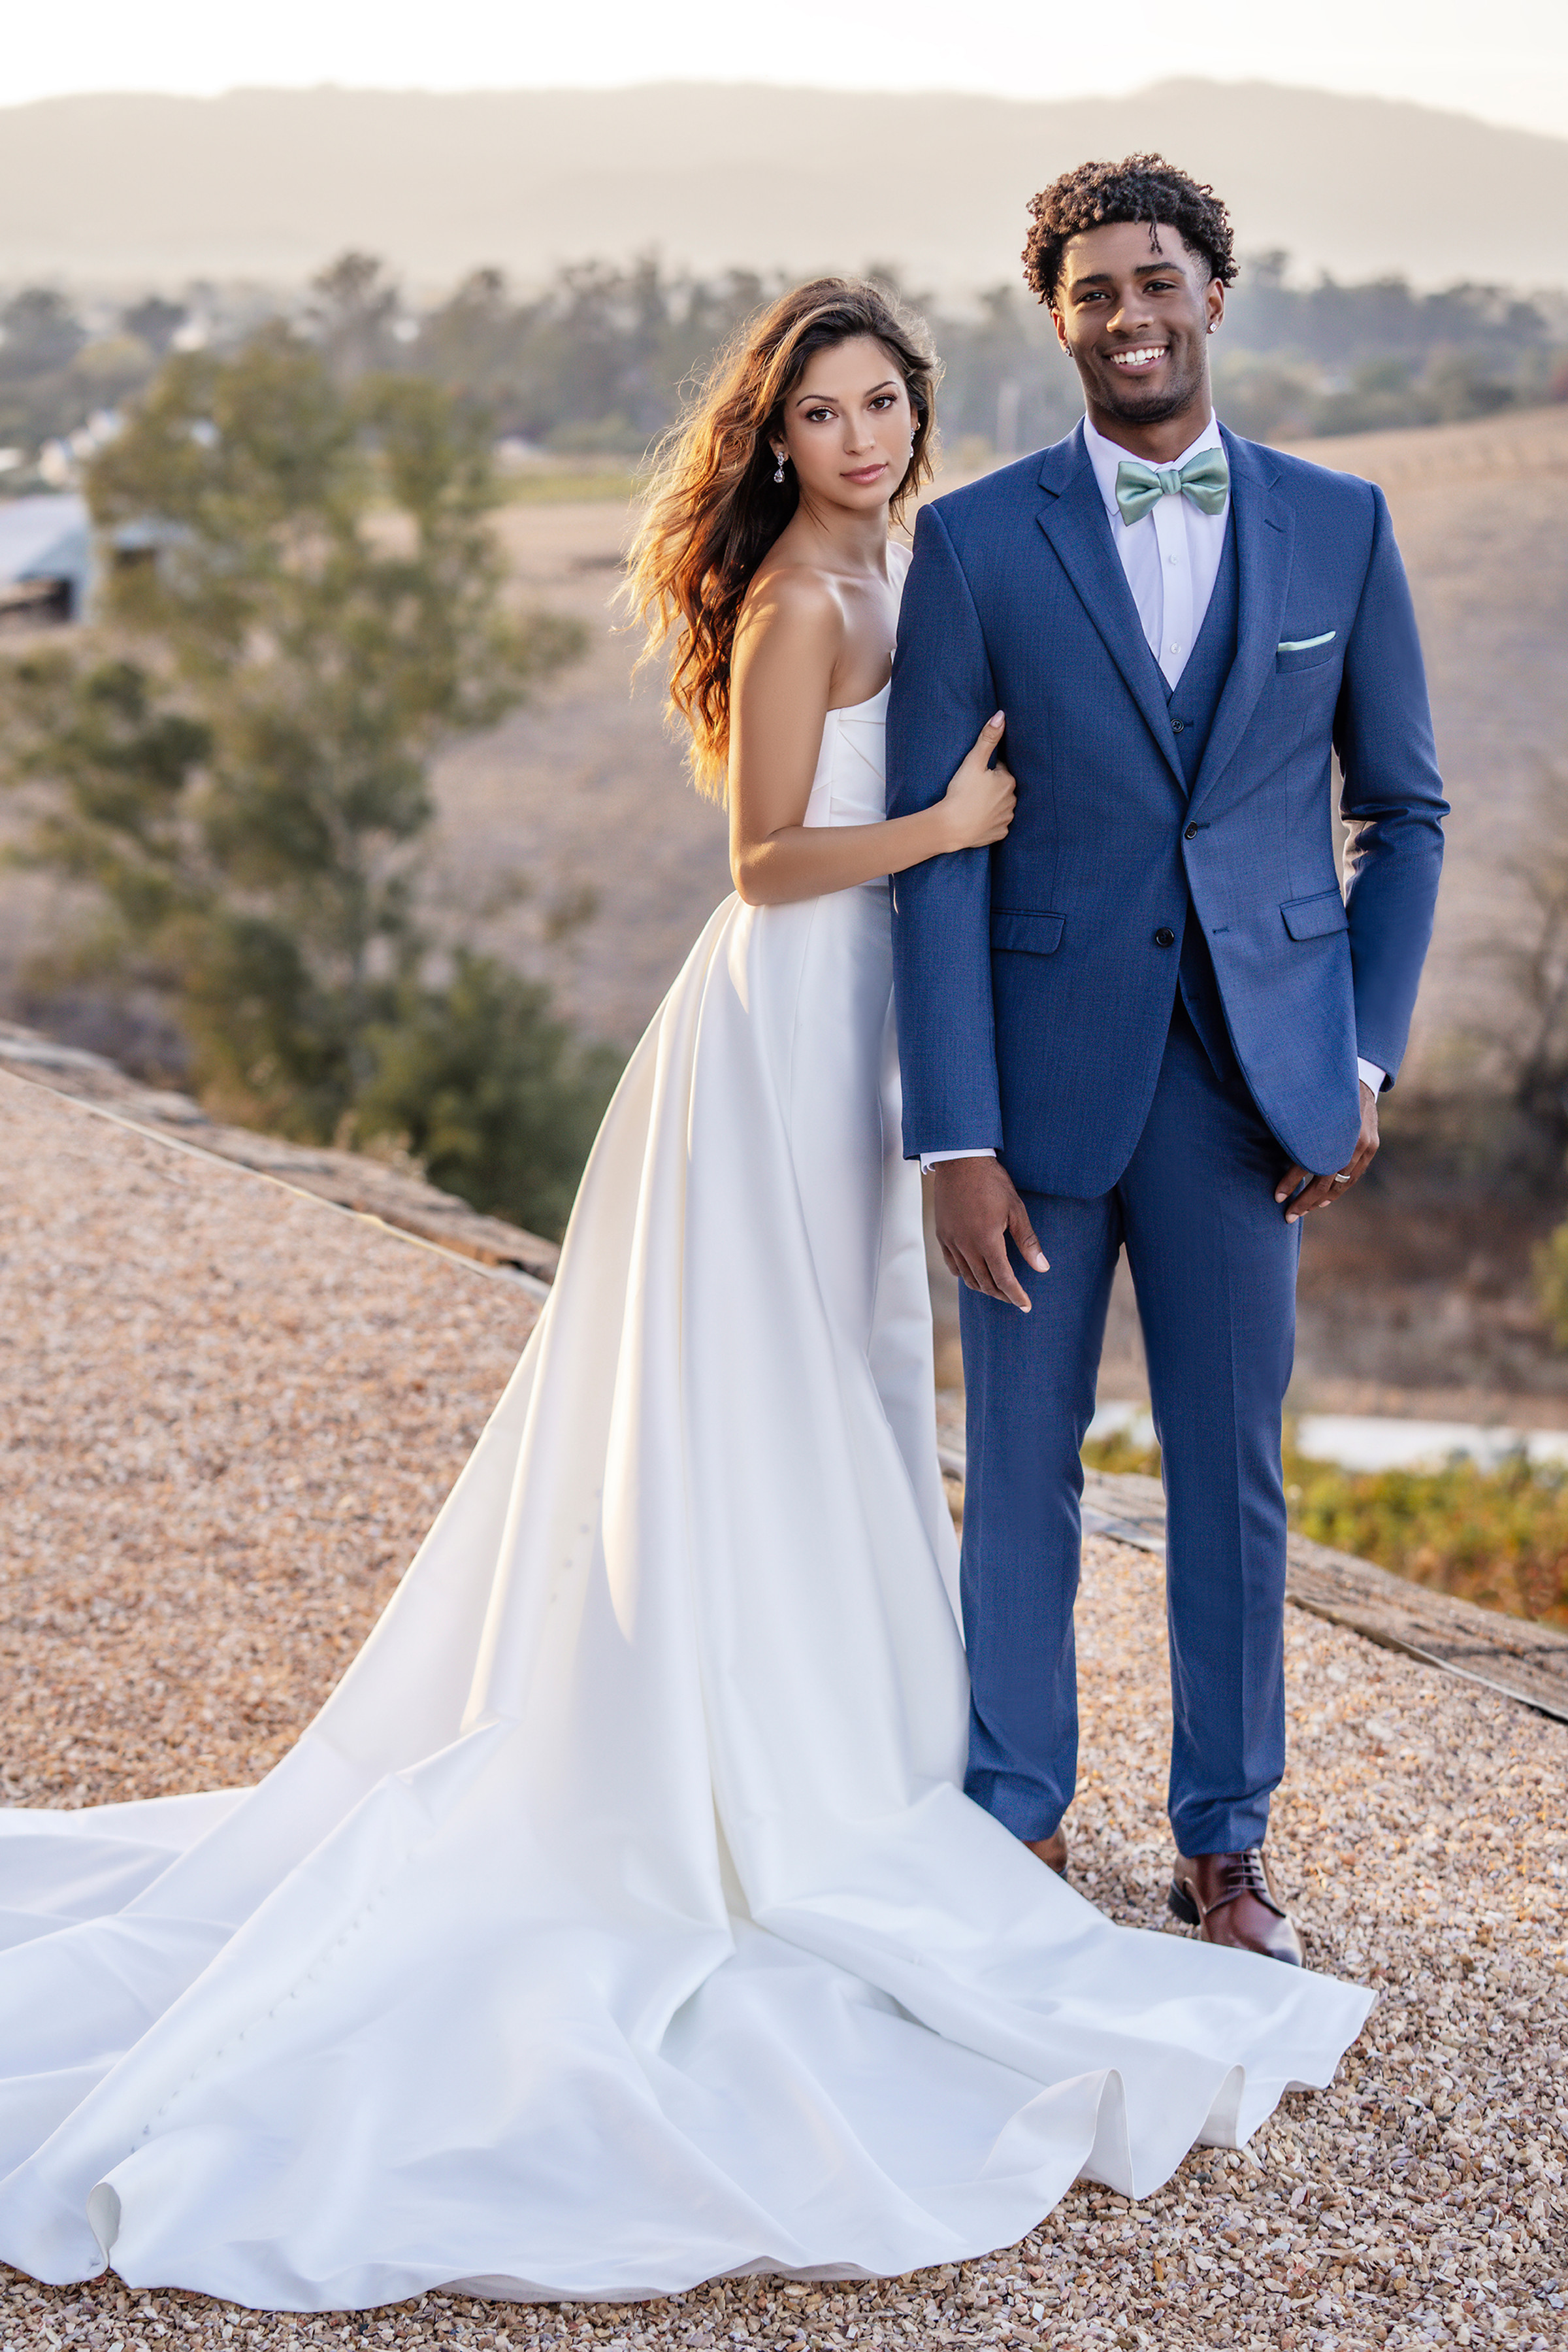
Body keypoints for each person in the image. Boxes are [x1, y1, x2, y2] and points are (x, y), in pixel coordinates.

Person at [0, 280, 1371, 2315]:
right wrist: (952, 822)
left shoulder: (927, 547)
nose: (863, 438)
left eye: (885, 403)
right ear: (776, 437)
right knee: (767, 1379)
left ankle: (856, 1727)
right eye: (823, 414)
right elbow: (760, 866)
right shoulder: (802, 598)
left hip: (877, 1045)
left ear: (919, 409)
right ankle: (742, 1750)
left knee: (833, 1385)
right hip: (779, 1025)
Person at [888, 158, 1447, 1965]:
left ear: (1218, 292)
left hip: (1250, 1099)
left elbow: (1407, 814)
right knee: (1022, 1470)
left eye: (1159, 280)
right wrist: (951, 1135)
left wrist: (1357, 1057)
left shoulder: (1341, 525)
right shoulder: (974, 542)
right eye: (1095, 291)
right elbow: (933, 852)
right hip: (1036, 1103)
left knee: (1232, 1471)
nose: (1131, 316)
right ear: (1053, 315)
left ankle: (1225, 1847)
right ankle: (1014, 1821)